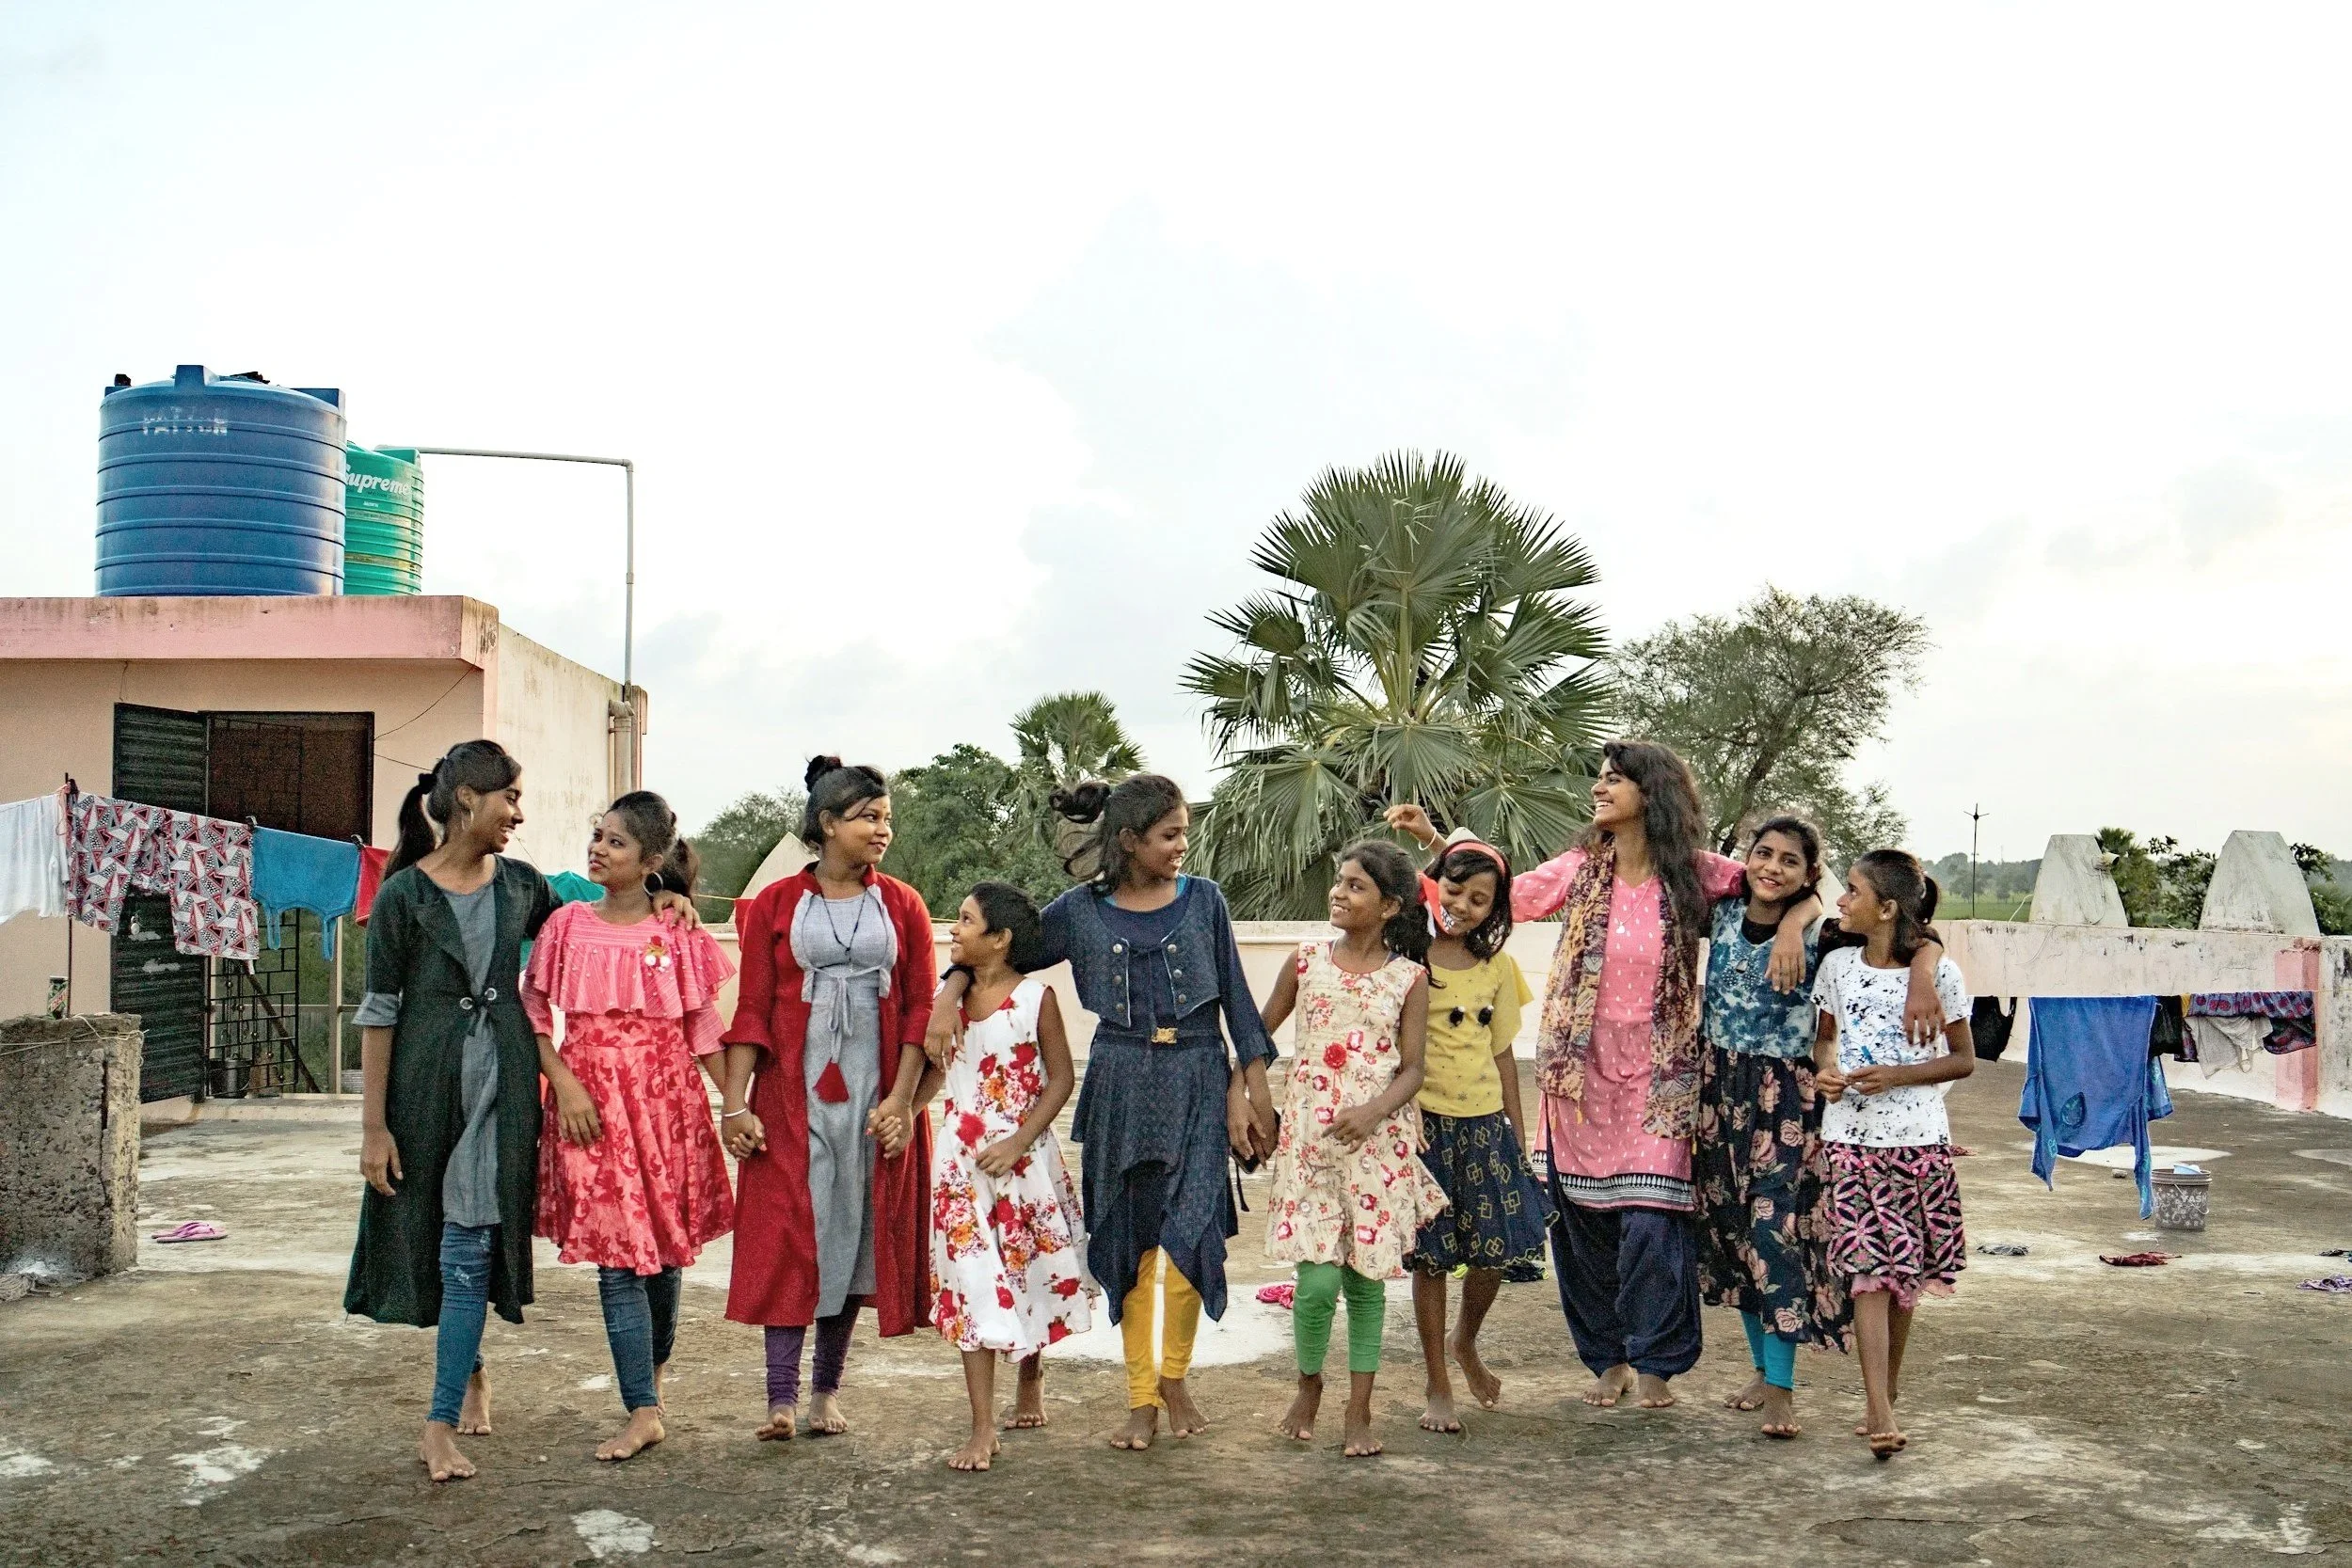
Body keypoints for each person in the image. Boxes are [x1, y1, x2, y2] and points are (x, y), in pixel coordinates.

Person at [344, 740, 694, 1483]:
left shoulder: (524, 886)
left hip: (505, 1093)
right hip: (425, 1090)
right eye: (510, 797)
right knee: (439, 1237)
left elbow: (604, 918)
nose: (519, 813)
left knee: (468, 1245)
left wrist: (665, 895)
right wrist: (374, 1126)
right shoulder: (403, 896)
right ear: (469, 799)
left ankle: (437, 1421)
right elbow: (379, 1013)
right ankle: (464, 1376)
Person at [929, 773, 1279, 1452]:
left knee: (1191, 1238)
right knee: (1134, 1244)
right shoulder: (1080, 910)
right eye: (1169, 834)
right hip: (1120, 1083)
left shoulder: (1204, 899)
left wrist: (1250, 1089)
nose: (1183, 844)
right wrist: (952, 984)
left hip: (1200, 1079)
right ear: (1128, 839)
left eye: (1183, 830)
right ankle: (1142, 1396)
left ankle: (1176, 1375)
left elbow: (1237, 997)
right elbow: (1004, 945)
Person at [722, 757, 938, 1443]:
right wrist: (735, 1102)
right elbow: (751, 1007)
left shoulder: (902, 904)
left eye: (887, 817)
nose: (883, 829)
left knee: (853, 1234)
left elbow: (920, 1010)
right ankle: (780, 1398)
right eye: (869, 816)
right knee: (791, 1235)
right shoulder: (776, 906)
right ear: (828, 823)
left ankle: (824, 1393)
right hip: (791, 1098)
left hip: (873, 1103)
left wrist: (902, 1102)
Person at [524, 791, 736, 1462]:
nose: (598, 848)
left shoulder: (679, 932)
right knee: (618, 1263)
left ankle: (652, 1379)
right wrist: (562, 1080)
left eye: (615, 841)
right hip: (590, 1108)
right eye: (598, 835)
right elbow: (532, 1010)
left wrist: (736, 1103)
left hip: (667, 1105)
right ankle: (642, 1407)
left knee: (667, 1254)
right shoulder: (565, 925)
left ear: (650, 859)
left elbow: (703, 1027)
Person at [1259, 840, 1448, 1458]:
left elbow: (1414, 1068)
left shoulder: (1409, 977)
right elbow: (1258, 1033)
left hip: (1377, 1145)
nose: (1339, 892)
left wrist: (1372, 1111)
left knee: (1367, 1282)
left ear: (1390, 905)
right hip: (1310, 1146)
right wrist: (1247, 1092)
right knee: (1314, 1284)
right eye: (1339, 882)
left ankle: (1359, 1406)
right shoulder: (1307, 960)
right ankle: (1309, 1382)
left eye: (1355, 885)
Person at [917, 881, 1091, 1472]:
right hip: (960, 1165)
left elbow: (1061, 1080)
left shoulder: (1036, 998)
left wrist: (1019, 1140)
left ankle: (1031, 1375)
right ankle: (982, 1426)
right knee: (972, 1282)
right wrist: (902, 1108)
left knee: (1027, 1273)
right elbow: (933, 1071)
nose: (953, 928)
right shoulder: (951, 1000)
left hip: (1023, 1161)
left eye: (965, 921)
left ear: (1000, 939)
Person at [1811, 849, 1974, 1458]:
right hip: (1849, 1141)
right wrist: (1827, 1074)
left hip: (1918, 1143)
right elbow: (1825, 1043)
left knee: (1904, 1275)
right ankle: (1877, 1404)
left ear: (1886, 907)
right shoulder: (1836, 966)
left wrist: (1898, 1077)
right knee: (1867, 1272)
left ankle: (1888, 1387)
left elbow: (1963, 1059)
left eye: (1852, 891)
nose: (1841, 900)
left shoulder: (1941, 976)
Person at [1692, 816, 1850, 1439]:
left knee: (1773, 1231)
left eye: (1791, 860)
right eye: (1764, 853)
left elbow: (1915, 936)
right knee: (1733, 1233)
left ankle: (1783, 1390)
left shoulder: (1825, 932)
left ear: (1810, 874)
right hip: (1718, 1090)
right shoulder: (1720, 915)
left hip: (1785, 1096)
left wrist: (1798, 917)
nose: (1773, 867)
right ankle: (1762, 1368)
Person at [1395, 833, 1548, 1434]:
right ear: (1433, 886)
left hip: (1485, 1126)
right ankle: (1437, 1380)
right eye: (1455, 888)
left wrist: (1518, 1128)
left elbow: (1505, 1054)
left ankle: (1466, 1340)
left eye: (1481, 899)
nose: (1463, 904)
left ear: (1495, 910)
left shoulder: (1498, 969)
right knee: (1429, 1258)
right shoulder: (1407, 966)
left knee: (1499, 1247)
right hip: (1423, 1126)